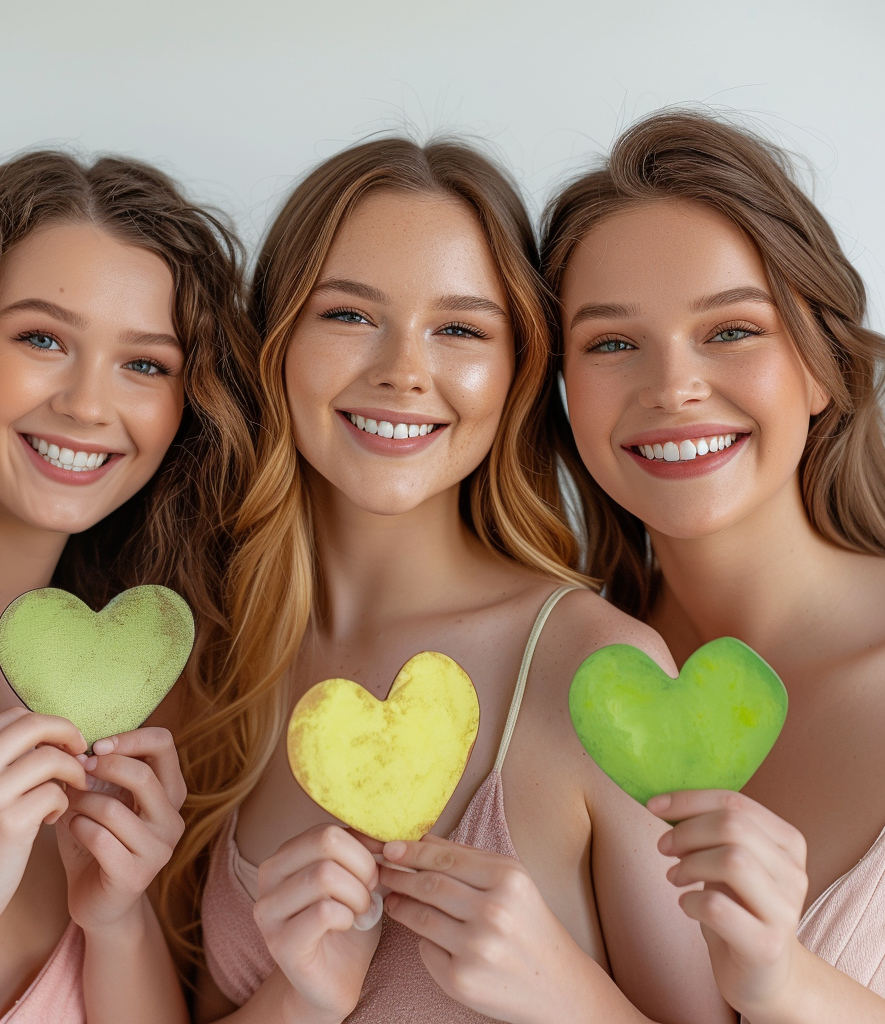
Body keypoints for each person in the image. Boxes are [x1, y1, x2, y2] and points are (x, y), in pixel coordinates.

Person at [175, 137, 732, 1024]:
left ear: (516, 373)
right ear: (275, 340)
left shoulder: (603, 670)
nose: (403, 369)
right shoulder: (221, 665)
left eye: (461, 329)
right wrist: (303, 1002)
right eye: (349, 315)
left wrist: (575, 999)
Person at [0, 150, 254, 1022]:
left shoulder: (156, 704)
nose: (86, 404)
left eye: (145, 364)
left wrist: (116, 921)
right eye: (43, 339)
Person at [541, 109, 885, 1023]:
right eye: (613, 343)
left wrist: (784, 983)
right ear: (562, 394)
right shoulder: (555, 680)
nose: (672, 387)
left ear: (821, 369)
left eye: (731, 330)